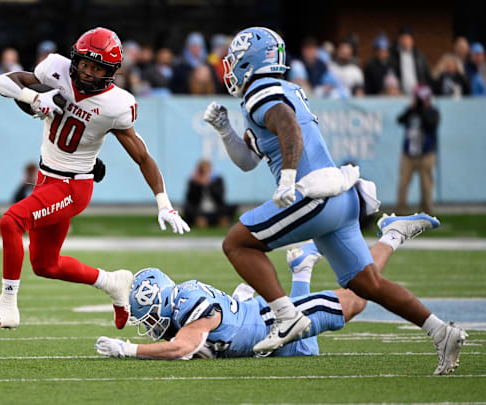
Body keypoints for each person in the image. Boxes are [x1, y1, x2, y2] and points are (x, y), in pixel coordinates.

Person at [201, 27, 466, 374]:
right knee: (367, 284)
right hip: (341, 198)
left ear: (252, 61)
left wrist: (288, 179)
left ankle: (286, 316)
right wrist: (225, 130)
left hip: (313, 194)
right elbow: (250, 160)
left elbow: (288, 126)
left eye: (236, 61)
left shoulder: (261, 91)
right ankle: (440, 331)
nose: (231, 69)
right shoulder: (284, 89)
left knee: (237, 244)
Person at [0, 27, 190, 330]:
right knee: (45, 265)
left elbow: (142, 156)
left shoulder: (116, 106)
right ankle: (112, 282)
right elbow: (1, 82)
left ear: (110, 71)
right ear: (75, 59)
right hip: (46, 178)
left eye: (97, 67)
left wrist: (163, 202)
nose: (88, 72)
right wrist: (34, 98)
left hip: (72, 186)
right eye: (85, 64)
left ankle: (7, 307)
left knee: (11, 221)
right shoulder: (55, 71)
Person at [95, 214, 463, 371]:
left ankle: (392, 235)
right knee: (305, 353)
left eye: (151, 316)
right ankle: (301, 268)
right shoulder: (184, 299)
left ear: (163, 302)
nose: (152, 325)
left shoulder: (190, 311)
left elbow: (184, 347)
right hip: (262, 331)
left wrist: (130, 350)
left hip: (271, 323)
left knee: (359, 296)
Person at [396, 84, 440, 215]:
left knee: (426, 185)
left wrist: (421, 110)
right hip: (408, 154)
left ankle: (426, 211)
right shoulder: (411, 111)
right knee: (403, 184)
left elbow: (431, 125)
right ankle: (401, 211)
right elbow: (399, 120)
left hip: (426, 154)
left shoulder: (433, 112)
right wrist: (411, 109)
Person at [183, 159, 235, 228]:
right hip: (199, 211)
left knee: (231, 207)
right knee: (188, 209)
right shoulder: (193, 181)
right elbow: (191, 199)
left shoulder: (218, 179)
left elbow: (220, 197)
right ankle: (200, 221)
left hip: (216, 210)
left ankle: (221, 220)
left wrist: (209, 184)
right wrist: (198, 185)